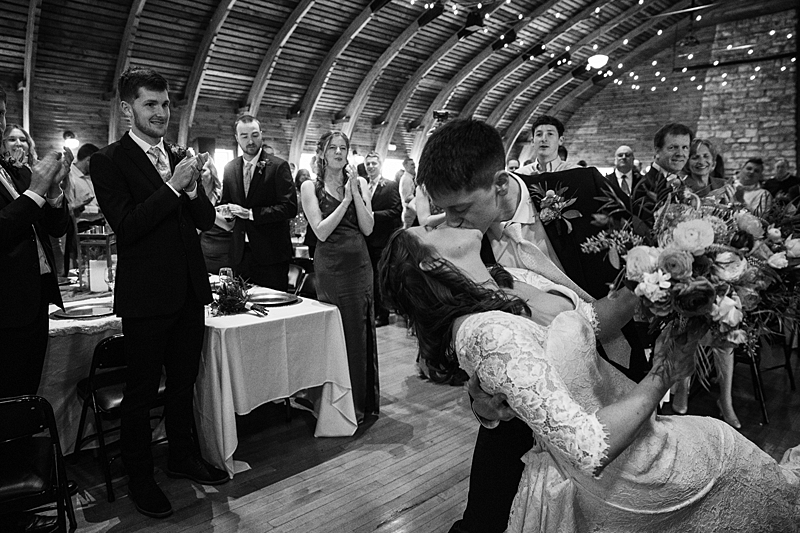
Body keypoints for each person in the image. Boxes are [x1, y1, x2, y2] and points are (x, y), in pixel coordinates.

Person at [379, 224, 800, 533]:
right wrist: (665, 371)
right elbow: (589, 446)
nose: (441, 218)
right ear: (432, 261)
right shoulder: (489, 331)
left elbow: (589, 321)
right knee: (737, 460)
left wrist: (659, 272)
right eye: (429, 226)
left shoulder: (502, 289)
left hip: (632, 446)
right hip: (622, 470)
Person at [414, 119, 648, 533]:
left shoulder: (587, 189)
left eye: (459, 209)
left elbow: (641, 279)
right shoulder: (461, 244)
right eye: (442, 208)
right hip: (527, 393)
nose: (448, 221)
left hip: (614, 372)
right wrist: (478, 398)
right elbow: (472, 339)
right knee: (484, 515)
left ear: (501, 184)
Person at [92, 67, 228, 520]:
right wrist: (173, 186)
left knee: (184, 382)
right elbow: (128, 226)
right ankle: (141, 476)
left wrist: (193, 189)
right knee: (142, 388)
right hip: (147, 297)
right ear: (128, 109)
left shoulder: (177, 154)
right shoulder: (109, 161)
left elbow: (205, 221)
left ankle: (181, 455)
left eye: (167, 104)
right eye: (151, 104)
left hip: (189, 290)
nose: (162, 113)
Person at [0, 87, 72, 533]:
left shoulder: (12, 170)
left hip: (31, 301)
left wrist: (55, 193)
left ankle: (22, 490)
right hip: (6, 309)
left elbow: (54, 226)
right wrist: (35, 192)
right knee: (8, 400)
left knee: (25, 395)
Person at [300, 131, 379, 423]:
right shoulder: (311, 186)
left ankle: (360, 403)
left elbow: (368, 227)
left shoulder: (359, 183)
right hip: (331, 268)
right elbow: (320, 230)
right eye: (332, 148)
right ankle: (332, 405)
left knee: (358, 332)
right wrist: (344, 201)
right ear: (322, 152)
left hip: (360, 267)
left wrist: (354, 192)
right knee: (336, 332)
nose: (337, 152)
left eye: (342, 148)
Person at [669, 138, 740, 428]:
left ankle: (726, 398)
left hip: (723, 265)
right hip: (691, 266)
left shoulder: (727, 186)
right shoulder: (680, 188)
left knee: (726, 332)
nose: (700, 161)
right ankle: (683, 386)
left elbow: (738, 225)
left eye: (705, 156)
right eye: (694, 156)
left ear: (713, 159)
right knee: (689, 333)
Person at [221, 114, 297, 290]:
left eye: (254, 135)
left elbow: (289, 207)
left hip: (271, 254)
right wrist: (225, 212)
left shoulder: (278, 166)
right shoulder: (230, 168)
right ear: (236, 138)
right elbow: (226, 201)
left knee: (274, 311)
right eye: (244, 136)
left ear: (261, 134)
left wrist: (251, 214)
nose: (250, 141)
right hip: (240, 254)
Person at [363, 151, 401, 327]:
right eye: (368, 164)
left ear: (380, 165)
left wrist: (372, 215)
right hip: (366, 239)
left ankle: (383, 314)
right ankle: (370, 312)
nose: (370, 167)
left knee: (380, 279)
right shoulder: (362, 185)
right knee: (368, 278)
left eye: (373, 164)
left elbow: (396, 210)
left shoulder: (390, 185)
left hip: (382, 238)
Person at [399, 156, 417, 227]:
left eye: (414, 164)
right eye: (412, 165)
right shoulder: (406, 179)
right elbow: (407, 198)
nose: (414, 167)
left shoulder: (411, 178)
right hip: (409, 213)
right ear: (405, 166)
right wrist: (419, 197)